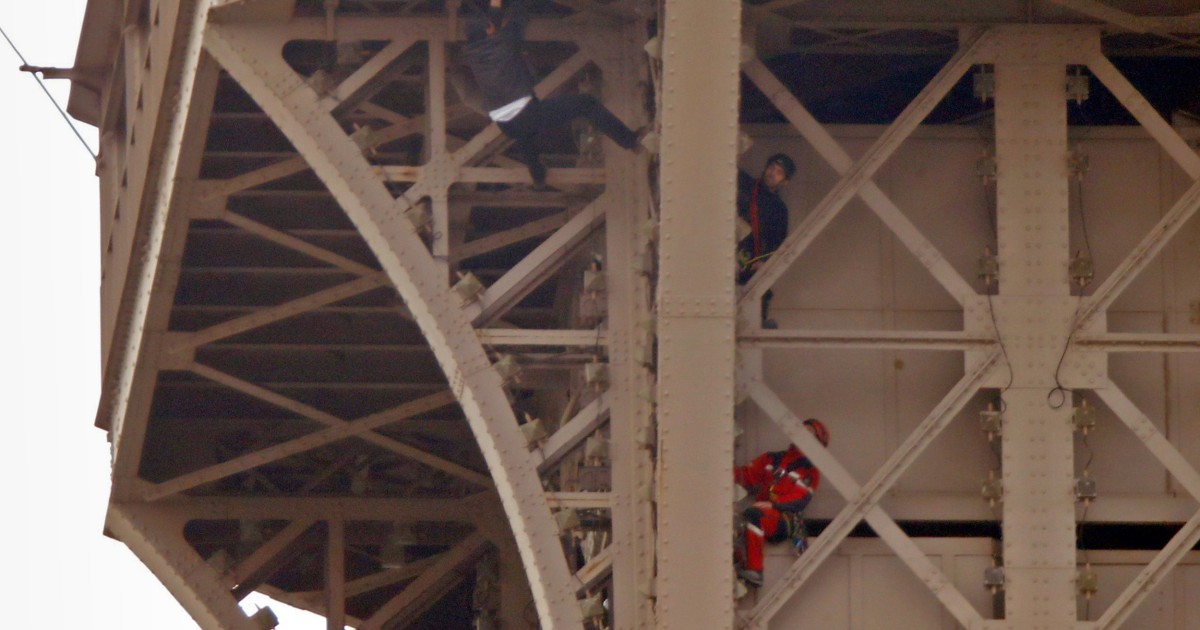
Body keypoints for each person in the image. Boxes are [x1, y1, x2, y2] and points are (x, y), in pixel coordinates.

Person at [462, 0, 641, 187]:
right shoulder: (502, 42)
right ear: (488, 31)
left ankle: (538, 174)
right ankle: (630, 140)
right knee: (586, 104)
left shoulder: (475, 54)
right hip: (524, 113)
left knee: (526, 135)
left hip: (506, 123)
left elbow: (496, 24)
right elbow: (519, 15)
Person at [734, 418, 829, 587]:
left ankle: (755, 571)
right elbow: (747, 475)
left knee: (755, 516)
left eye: (808, 432)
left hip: (785, 519)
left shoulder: (810, 471)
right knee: (742, 522)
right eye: (801, 429)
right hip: (766, 512)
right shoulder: (772, 459)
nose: (801, 433)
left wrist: (773, 505)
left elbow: (799, 499)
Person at [737, 153, 795, 328]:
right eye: (771, 168)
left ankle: (757, 323)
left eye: (779, 172)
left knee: (760, 293)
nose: (772, 173)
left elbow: (778, 243)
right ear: (765, 168)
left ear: (785, 182)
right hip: (729, 251)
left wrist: (763, 262)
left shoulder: (778, 209)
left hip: (752, 262)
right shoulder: (746, 184)